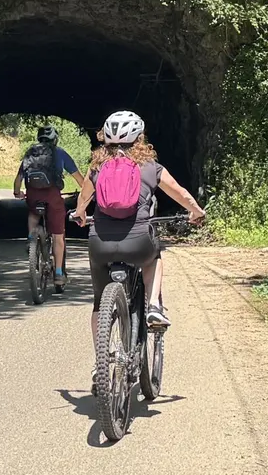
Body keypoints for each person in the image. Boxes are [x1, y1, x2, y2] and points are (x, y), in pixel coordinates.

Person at [73, 110, 205, 354]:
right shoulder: (150, 167)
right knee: (154, 258)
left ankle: (101, 360)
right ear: (139, 138)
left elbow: (83, 199)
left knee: (99, 305)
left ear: (106, 138)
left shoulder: (97, 167)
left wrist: (80, 215)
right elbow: (179, 192)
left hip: (100, 243)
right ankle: (154, 306)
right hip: (138, 241)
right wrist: (196, 212)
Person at [13, 124, 89, 285]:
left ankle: (31, 238)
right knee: (58, 236)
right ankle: (59, 274)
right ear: (55, 139)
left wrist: (17, 192)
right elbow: (78, 178)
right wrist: (87, 193)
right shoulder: (60, 153)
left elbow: (18, 179)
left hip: (33, 193)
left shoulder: (30, 152)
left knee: (33, 213)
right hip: (53, 195)